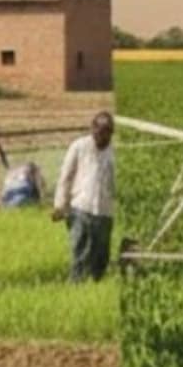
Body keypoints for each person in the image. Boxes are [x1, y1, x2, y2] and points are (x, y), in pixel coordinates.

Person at [51, 112, 115, 282]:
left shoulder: (113, 153)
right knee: (79, 251)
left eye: (107, 133)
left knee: (101, 256)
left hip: (104, 211)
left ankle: (97, 284)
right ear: (93, 129)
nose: (102, 137)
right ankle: (76, 284)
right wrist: (60, 205)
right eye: (99, 132)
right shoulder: (79, 147)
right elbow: (66, 177)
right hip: (80, 207)